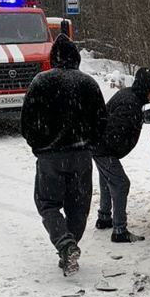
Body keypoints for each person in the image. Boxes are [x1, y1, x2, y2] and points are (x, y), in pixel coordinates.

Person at [20, 33, 107, 275]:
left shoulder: (40, 82)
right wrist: (88, 143)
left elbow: (27, 122)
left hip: (50, 156)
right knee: (78, 207)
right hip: (81, 156)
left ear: (53, 59)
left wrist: (39, 144)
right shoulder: (88, 84)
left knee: (48, 204)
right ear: (76, 58)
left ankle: (65, 244)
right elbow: (101, 120)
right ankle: (69, 246)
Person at [92, 67, 150, 243]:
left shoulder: (130, 96)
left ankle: (104, 218)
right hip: (103, 148)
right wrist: (113, 154)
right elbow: (114, 134)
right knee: (121, 183)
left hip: (98, 145)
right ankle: (119, 230)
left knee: (107, 179)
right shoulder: (130, 104)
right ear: (148, 88)